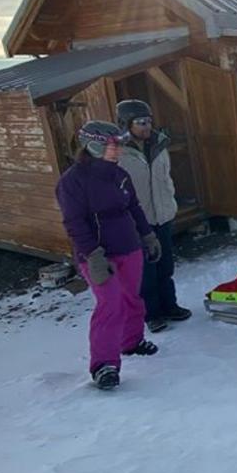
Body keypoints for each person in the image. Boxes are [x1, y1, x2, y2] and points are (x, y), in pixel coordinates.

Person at [55, 121, 161, 390]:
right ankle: (104, 365)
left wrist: (147, 235)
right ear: (95, 146)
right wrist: (92, 255)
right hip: (99, 254)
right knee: (110, 305)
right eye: (114, 146)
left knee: (132, 299)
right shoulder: (72, 182)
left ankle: (132, 341)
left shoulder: (118, 174)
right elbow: (74, 223)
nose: (119, 151)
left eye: (119, 145)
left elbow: (133, 207)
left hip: (128, 245)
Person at [115, 99, 190, 334]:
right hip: (138, 220)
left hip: (162, 214)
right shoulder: (117, 152)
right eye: (140, 122)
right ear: (126, 124)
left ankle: (170, 305)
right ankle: (152, 314)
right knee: (145, 270)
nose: (147, 127)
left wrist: (170, 202)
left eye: (149, 121)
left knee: (165, 264)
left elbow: (165, 178)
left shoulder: (159, 144)